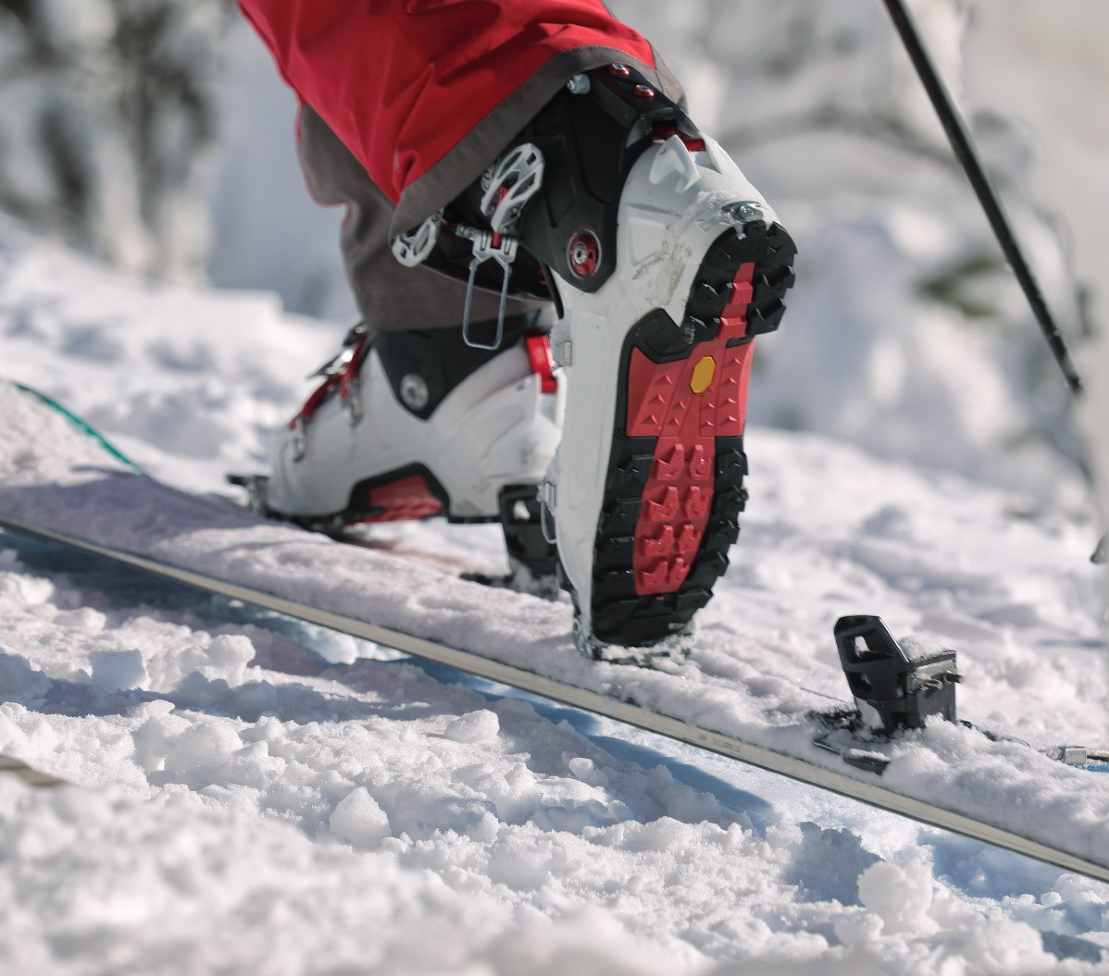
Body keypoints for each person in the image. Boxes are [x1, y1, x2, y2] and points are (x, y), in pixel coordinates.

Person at [235, 0, 796, 653]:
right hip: (445, 269)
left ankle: (581, 171)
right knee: (347, 81)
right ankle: (448, 353)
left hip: (550, 119)